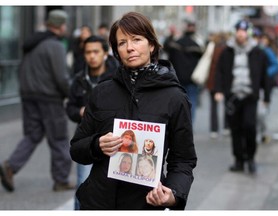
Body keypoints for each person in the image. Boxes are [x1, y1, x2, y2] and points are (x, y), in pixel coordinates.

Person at [70, 11, 197, 210]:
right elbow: (77, 147)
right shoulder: (102, 92)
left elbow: (183, 159)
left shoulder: (174, 97)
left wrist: (173, 194)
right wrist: (96, 145)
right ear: (116, 51)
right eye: (122, 43)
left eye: (136, 40)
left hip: (144, 204)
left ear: (152, 44)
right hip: (97, 202)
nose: (129, 48)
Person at [0, 9, 74, 192]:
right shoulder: (55, 45)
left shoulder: (32, 42)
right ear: (61, 25)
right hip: (49, 98)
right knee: (58, 138)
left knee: (32, 136)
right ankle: (61, 180)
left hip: (29, 96)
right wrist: (70, 94)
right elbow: (61, 77)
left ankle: (10, 166)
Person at [66, 35, 118, 210]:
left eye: (96, 51)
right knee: (83, 182)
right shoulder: (79, 79)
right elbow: (70, 107)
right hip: (87, 138)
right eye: (88, 52)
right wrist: (79, 112)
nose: (92, 56)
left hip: (114, 139)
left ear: (105, 53)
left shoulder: (116, 77)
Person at [214, 20, 270, 174]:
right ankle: (239, 160)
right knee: (235, 129)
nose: (241, 33)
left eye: (244, 31)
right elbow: (220, 72)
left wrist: (267, 96)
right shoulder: (227, 51)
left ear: (248, 33)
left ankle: (250, 158)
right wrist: (218, 90)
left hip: (250, 96)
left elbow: (264, 75)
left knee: (250, 126)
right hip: (233, 97)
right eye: (238, 30)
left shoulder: (257, 52)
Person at [164, 21, 204, 124]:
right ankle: (190, 123)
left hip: (178, 78)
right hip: (192, 78)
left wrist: (171, 35)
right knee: (192, 102)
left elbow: (166, 49)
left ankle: (179, 123)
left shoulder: (176, 44)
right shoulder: (196, 46)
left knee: (178, 102)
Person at [205, 32, 230, 138]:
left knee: (213, 107)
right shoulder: (228, 49)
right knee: (227, 105)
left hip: (212, 81)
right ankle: (226, 127)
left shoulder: (212, 48)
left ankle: (214, 129)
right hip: (225, 81)